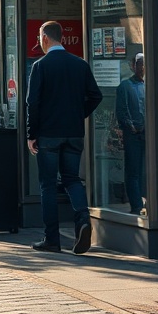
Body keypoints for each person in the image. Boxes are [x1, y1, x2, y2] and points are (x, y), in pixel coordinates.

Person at [26, 20, 102, 255]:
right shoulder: (80, 65)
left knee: (48, 185)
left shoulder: (40, 66)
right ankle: (83, 220)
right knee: (72, 179)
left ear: (45, 38)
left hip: (48, 134)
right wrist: (79, 114)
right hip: (74, 133)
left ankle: (52, 239)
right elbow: (95, 96)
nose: (39, 41)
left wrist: (32, 134)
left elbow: (33, 103)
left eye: (40, 37)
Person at [116, 52, 146, 215]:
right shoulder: (125, 86)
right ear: (133, 66)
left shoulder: (149, 85)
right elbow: (121, 110)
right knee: (133, 169)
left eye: (143, 63)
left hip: (148, 133)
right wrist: (131, 126)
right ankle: (136, 205)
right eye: (139, 63)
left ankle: (146, 202)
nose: (142, 67)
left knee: (146, 169)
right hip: (133, 134)